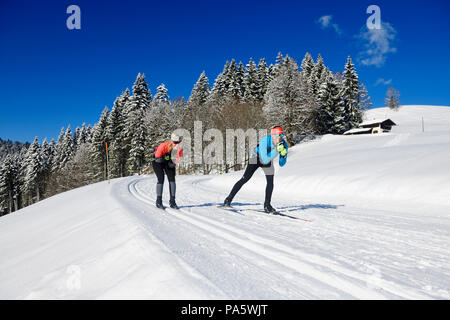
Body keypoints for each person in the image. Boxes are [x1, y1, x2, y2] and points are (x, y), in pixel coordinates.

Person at [223, 126, 288, 213]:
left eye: (281, 135)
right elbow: (264, 159)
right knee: (245, 179)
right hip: (256, 158)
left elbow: (281, 164)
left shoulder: (283, 144)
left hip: (268, 160)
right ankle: (228, 200)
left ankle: (267, 205)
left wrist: (283, 155)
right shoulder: (265, 140)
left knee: (270, 182)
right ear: (272, 135)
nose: (279, 137)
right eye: (277, 135)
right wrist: (276, 150)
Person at [152, 133, 183, 209]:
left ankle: (172, 202)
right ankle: (158, 201)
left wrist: (173, 163)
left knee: (172, 180)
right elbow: (157, 158)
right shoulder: (163, 146)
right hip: (158, 162)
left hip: (169, 163)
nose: (177, 144)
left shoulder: (180, 150)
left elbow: (177, 159)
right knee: (161, 179)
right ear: (171, 141)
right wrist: (164, 159)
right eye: (175, 142)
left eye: (178, 142)